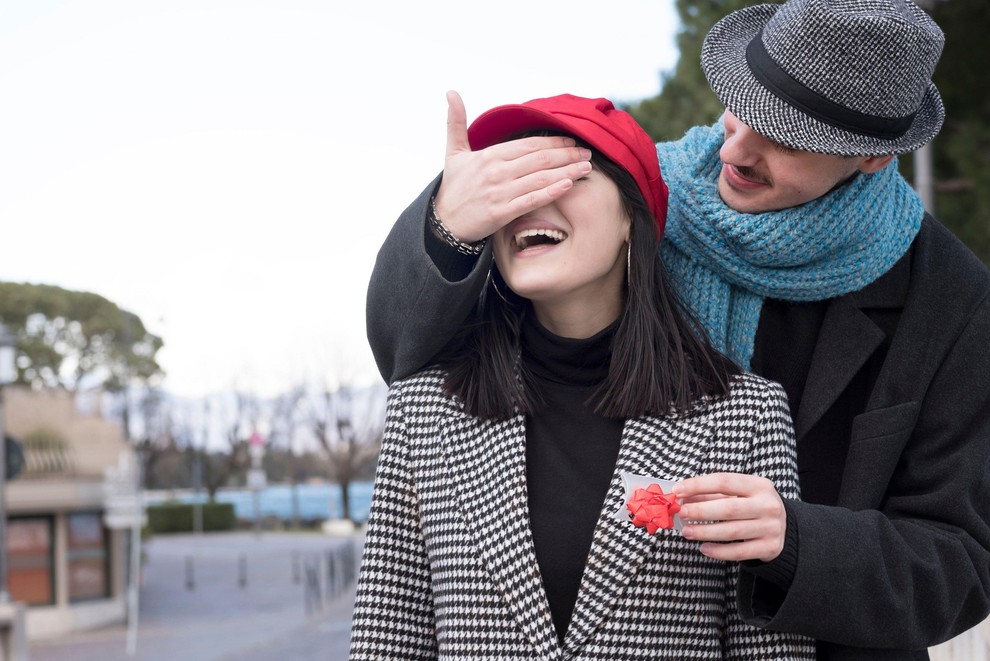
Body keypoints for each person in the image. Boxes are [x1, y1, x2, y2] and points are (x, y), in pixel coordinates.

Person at [362, 0, 990, 659]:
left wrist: (800, 541)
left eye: (787, 136)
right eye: (743, 105)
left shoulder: (951, 302)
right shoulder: (631, 199)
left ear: (870, 158)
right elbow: (415, 357)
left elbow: (965, 559)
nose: (738, 147)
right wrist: (445, 229)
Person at [349, 94, 816, 659]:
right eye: (510, 183)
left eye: (562, 173)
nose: (529, 200)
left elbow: (769, 648)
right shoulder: (423, 408)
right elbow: (385, 641)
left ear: (631, 216)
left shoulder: (744, 417)